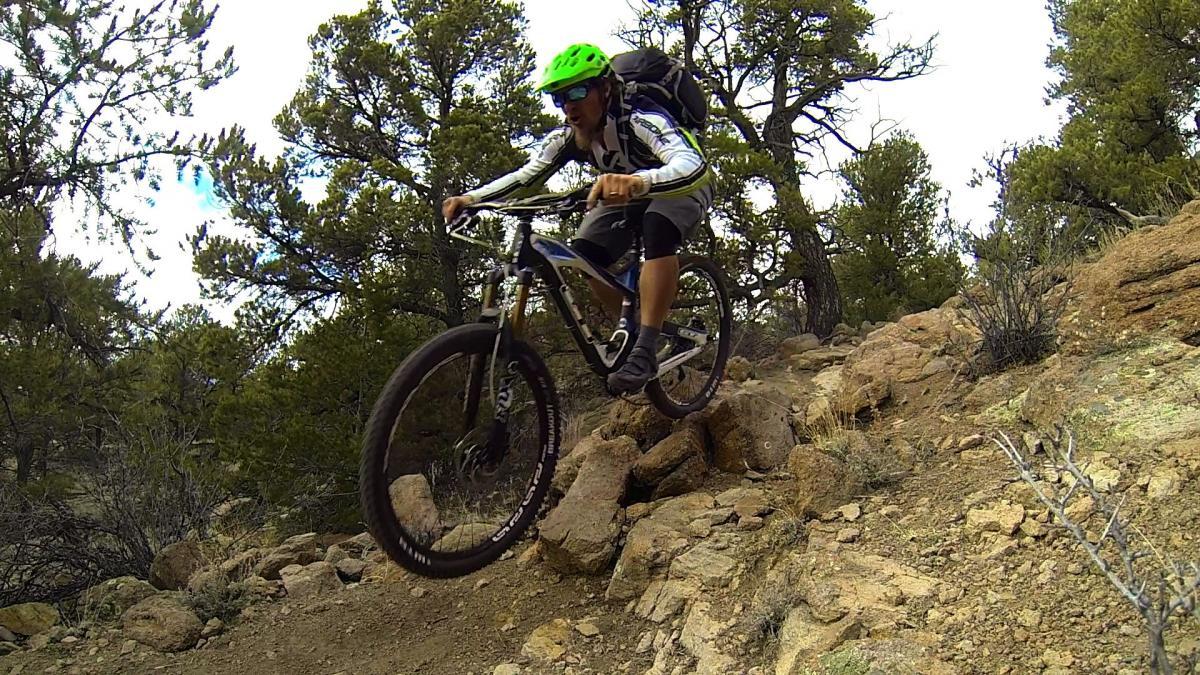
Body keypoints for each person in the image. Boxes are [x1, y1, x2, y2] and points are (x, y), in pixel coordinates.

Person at [442, 43, 713, 394]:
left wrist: (639, 181)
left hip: (677, 185)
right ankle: (639, 325)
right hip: (621, 193)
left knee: (657, 226)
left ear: (605, 88)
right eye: (559, 98)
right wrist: (471, 198)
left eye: (578, 91)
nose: (568, 106)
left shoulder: (640, 116)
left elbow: (691, 163)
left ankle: (645, 349)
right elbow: (527, 175)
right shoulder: (572, 137)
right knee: (585, 255)